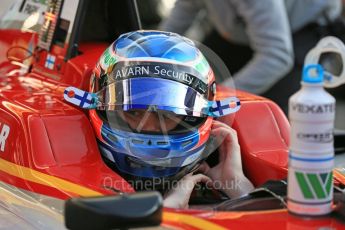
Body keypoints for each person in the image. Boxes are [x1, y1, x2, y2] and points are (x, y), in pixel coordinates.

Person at [87, 31, 254, 208]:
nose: (150, 127)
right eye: (133, 111)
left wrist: (236, 183)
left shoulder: (219, 177)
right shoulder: (70, 176)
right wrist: (171, 209)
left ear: (194, 118)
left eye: (167, 115)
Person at [160, 0, 342, 113]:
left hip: (300, 31)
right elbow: (173, 27)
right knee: (198, 76)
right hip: (238, 30)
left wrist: (218, 99)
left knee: (270, 114)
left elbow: (278, 56)